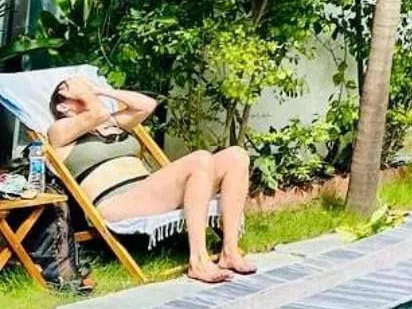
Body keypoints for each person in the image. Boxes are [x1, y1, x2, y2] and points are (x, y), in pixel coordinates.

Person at [46, 78, 256, 286]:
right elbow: (97, 113)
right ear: (62, 105)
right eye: (72, 86)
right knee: (200, 159)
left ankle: (230, 252)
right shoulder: (58, 131)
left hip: (149, 190)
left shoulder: (111, 123)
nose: (83, 85)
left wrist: (100, 90)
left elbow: (147, 105)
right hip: (116, 202)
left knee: (236, 157)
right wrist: (87, 95)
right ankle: (199, 262)